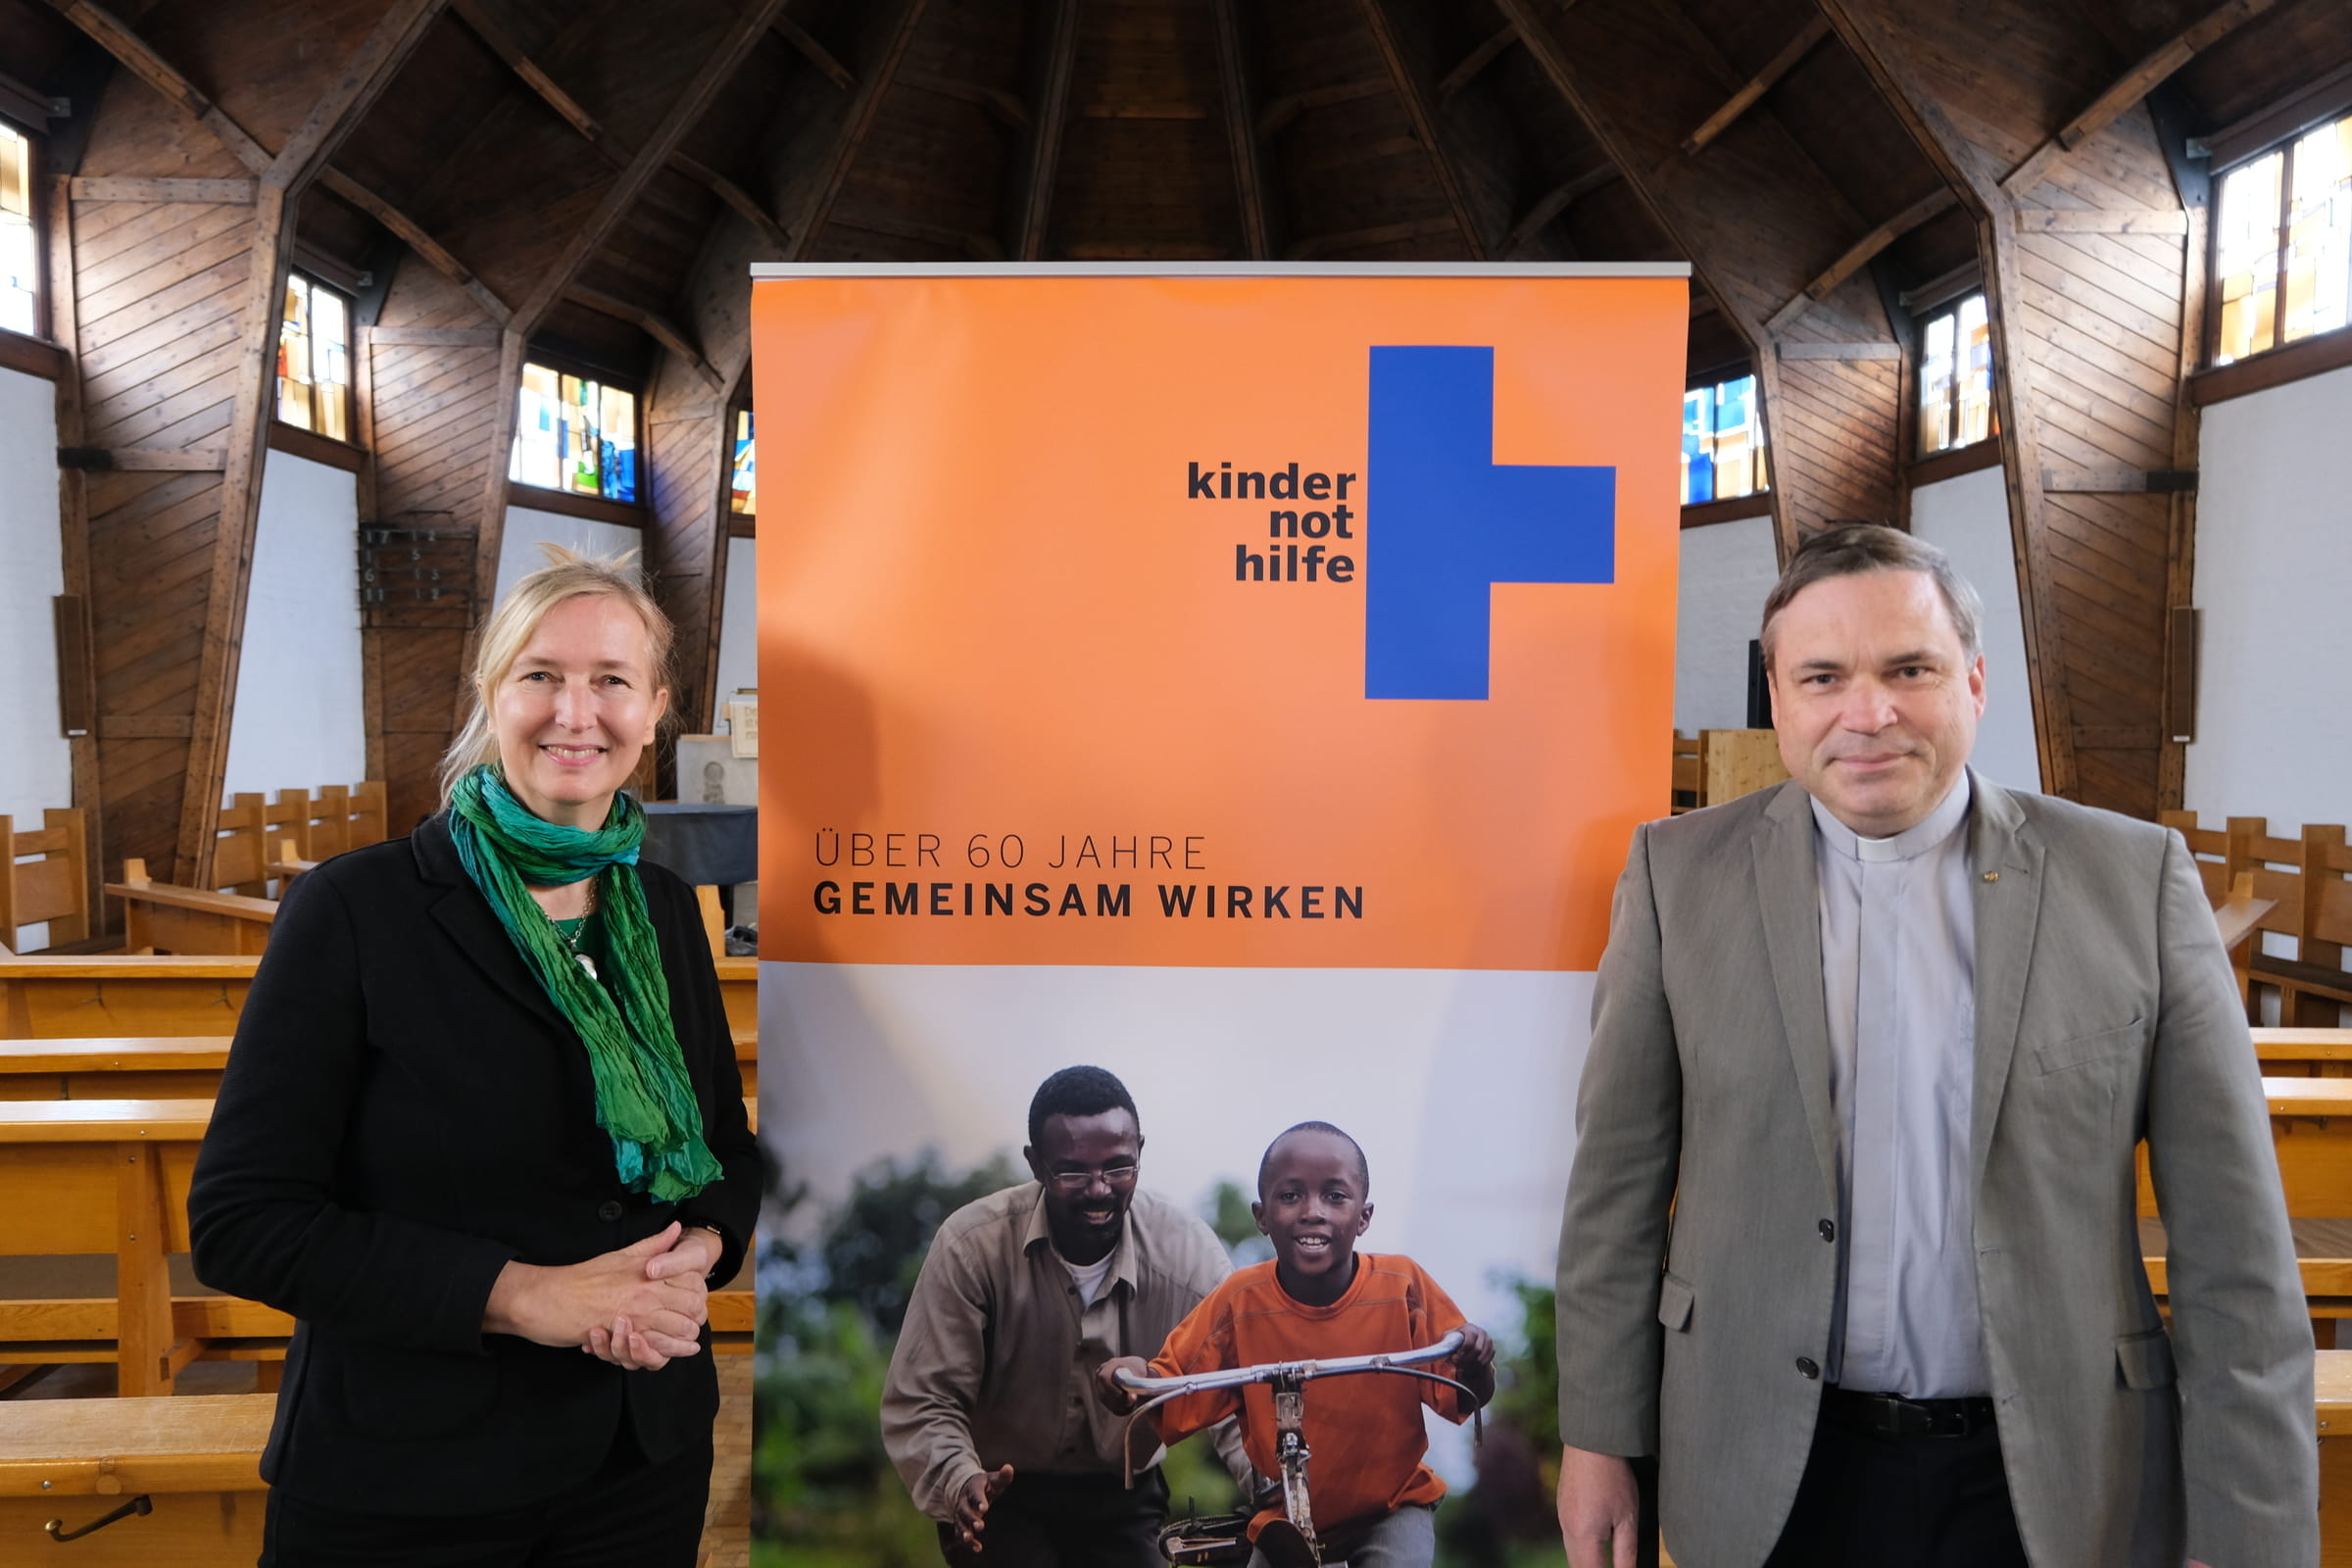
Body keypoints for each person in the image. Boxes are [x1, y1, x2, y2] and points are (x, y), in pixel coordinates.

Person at [1551, 524, 2315, 1568]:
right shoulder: (1677, 879)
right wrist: (1598, 1434)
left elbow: (2237, 1250)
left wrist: (2251, 1532)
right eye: (1822, 676)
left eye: (1909, 668)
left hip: (2056, 1473)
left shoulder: (2132, 883)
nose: (1869, 713)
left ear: (1975, 680)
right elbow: (1615, 1193)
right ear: (1778, 699)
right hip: (1768, 1464)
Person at [188, 547, 759, 1567]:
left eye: (611, 682)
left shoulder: (666, 908)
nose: (574, 714)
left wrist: (697, 1256)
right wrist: (523, 1294)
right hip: (416, 1476)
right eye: (540, 675)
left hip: (639, 1454)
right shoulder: (356, 910)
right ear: (492, 692)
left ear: (657, 709)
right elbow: (244, 1223)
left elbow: (724, 1151)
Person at [881, 1065, 1252, 1565]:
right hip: (1000, 1493)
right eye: (1073, 1172)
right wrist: (958, 1479)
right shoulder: (972, 1248)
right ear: (1036, 1163)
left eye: (1119, 1167)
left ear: (1141, 1150)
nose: (1099, 1189)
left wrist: (1278, 1498)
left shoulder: (1188, 1256)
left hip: (1125, 1493)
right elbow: (924, 1398)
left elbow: (1236, 1391)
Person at [1099, 1122, 1495, 1568]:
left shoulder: (1400, 1286)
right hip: (1287, 1512)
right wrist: (1132, 1378)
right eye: (1290, 1196)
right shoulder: (1239, 1301)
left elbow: (1462, 1389)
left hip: (1391, 1506)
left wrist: (1475, 1360)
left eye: (1335, 1196)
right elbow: (1170, 1387)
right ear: (1261, 1215)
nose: (1312, 1211)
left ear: (1363, 1217)